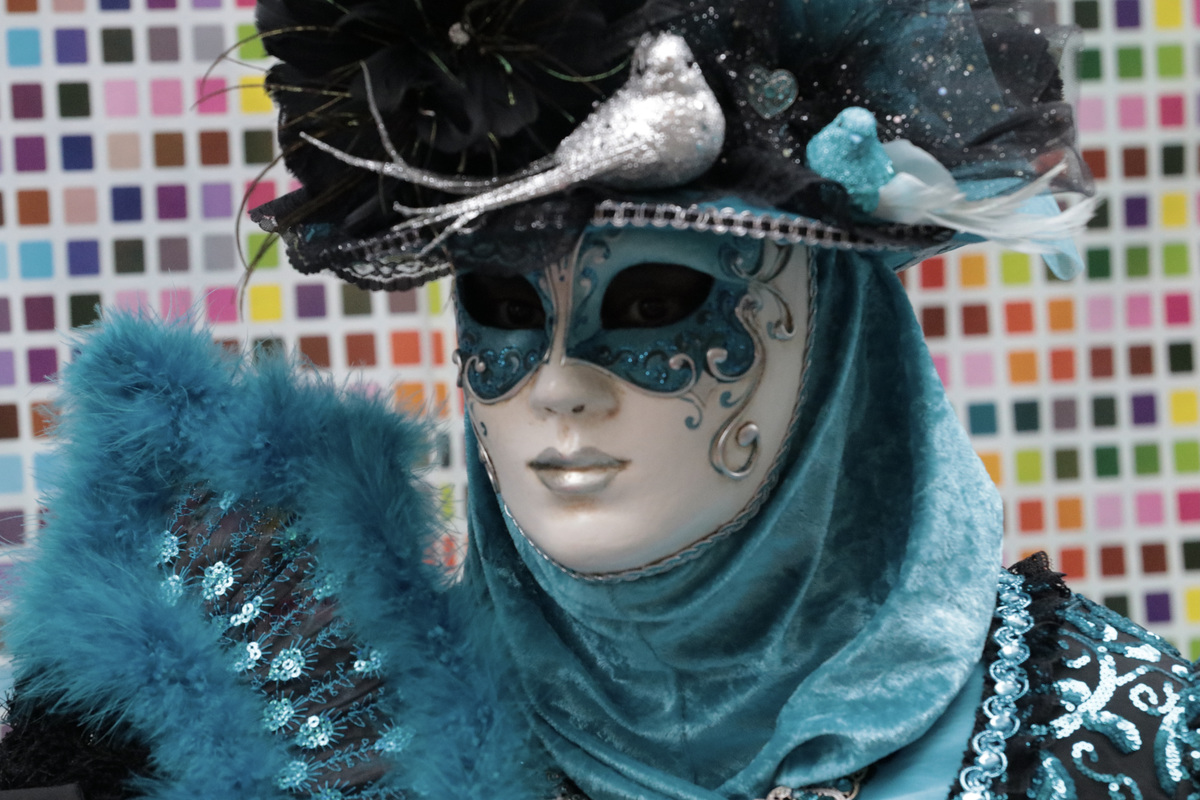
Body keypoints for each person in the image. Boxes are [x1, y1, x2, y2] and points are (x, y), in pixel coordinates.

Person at [0, 0, 1196, 799]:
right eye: (503, 307)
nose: (561, 384)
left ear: (837, 337)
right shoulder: (339, 741)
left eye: (657, 300)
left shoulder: (1124, 738)